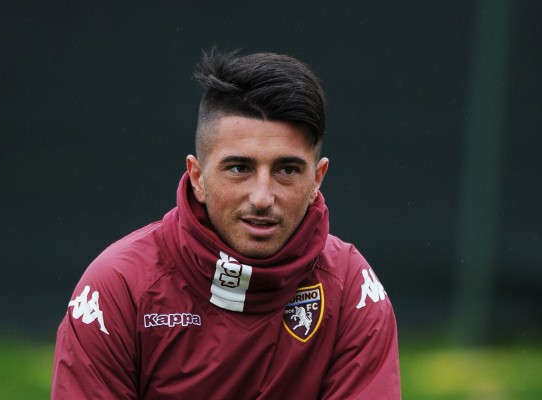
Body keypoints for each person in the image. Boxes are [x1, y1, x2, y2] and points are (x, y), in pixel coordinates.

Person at [51, 49, 401, 399]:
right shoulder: (119, 286)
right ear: (197, 177)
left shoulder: (350, 288)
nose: (262, 197)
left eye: (287, 170)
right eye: (239, 168)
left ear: (317, 179)